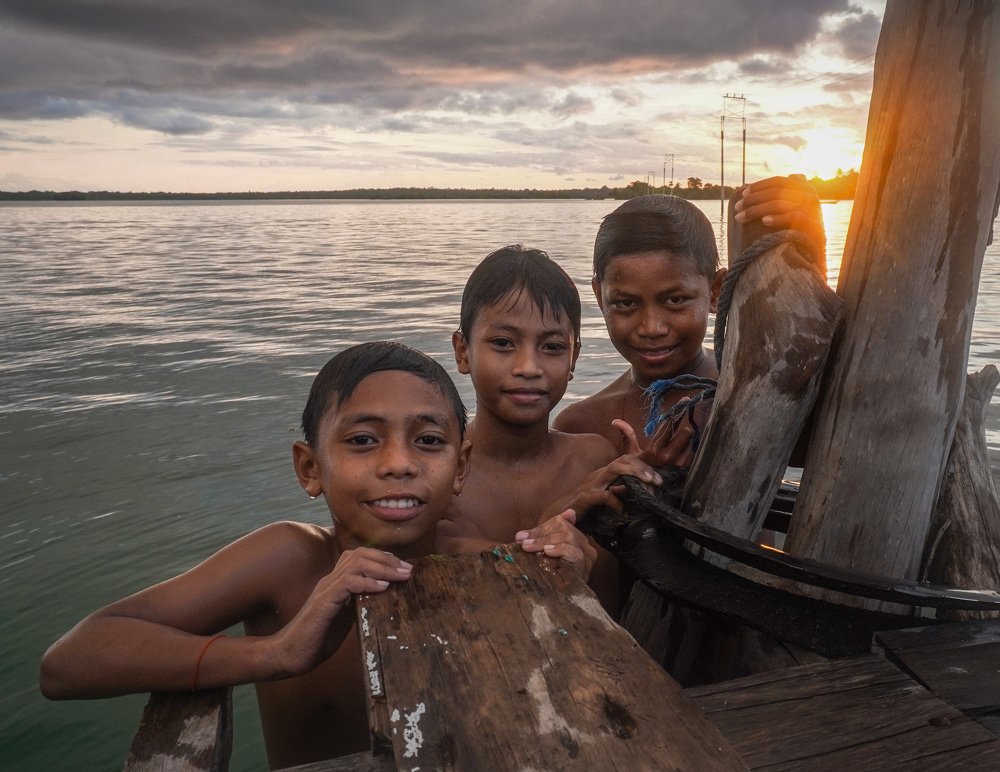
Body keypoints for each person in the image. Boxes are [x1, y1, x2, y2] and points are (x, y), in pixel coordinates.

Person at [39, 341, 591, 769]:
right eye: (362, 441)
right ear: (309, 468)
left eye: (428, 441)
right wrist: (277, 653)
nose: (399, 463)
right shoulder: (290, 562)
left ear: (461, 466)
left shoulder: (484, 566)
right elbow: (67, 663)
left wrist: (571, 572)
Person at [553, 175, 826, 466]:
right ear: (599, 296)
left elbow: (830, 438)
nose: (652, 328)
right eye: (626, 303)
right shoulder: (580, 428)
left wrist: (813, 250)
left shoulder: (759, 393)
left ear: (715, 292)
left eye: (675, 300)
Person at [436, 245, 661, 559]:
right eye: (503, 343)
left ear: (574, 358)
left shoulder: (594, 462)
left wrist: (645, 491)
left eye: (553, 346)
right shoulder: (438, 475)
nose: (528, 367)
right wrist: (563, 509)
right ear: (463, 351)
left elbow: (611, 592)